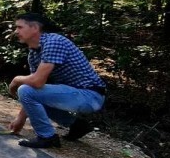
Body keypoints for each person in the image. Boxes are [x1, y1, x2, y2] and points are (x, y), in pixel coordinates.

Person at [7, 13, 106, 149]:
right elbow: (34, 89)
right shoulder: (34, 54)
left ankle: (47, 137)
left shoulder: (54, 42)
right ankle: (77, 125)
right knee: (28, 90)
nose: (16, 31)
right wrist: (20, 118)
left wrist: (16, 80)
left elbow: (36, 83)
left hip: (90, 96)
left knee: (24, 89)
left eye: (19, 27)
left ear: (35, 27)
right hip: (76, 95)